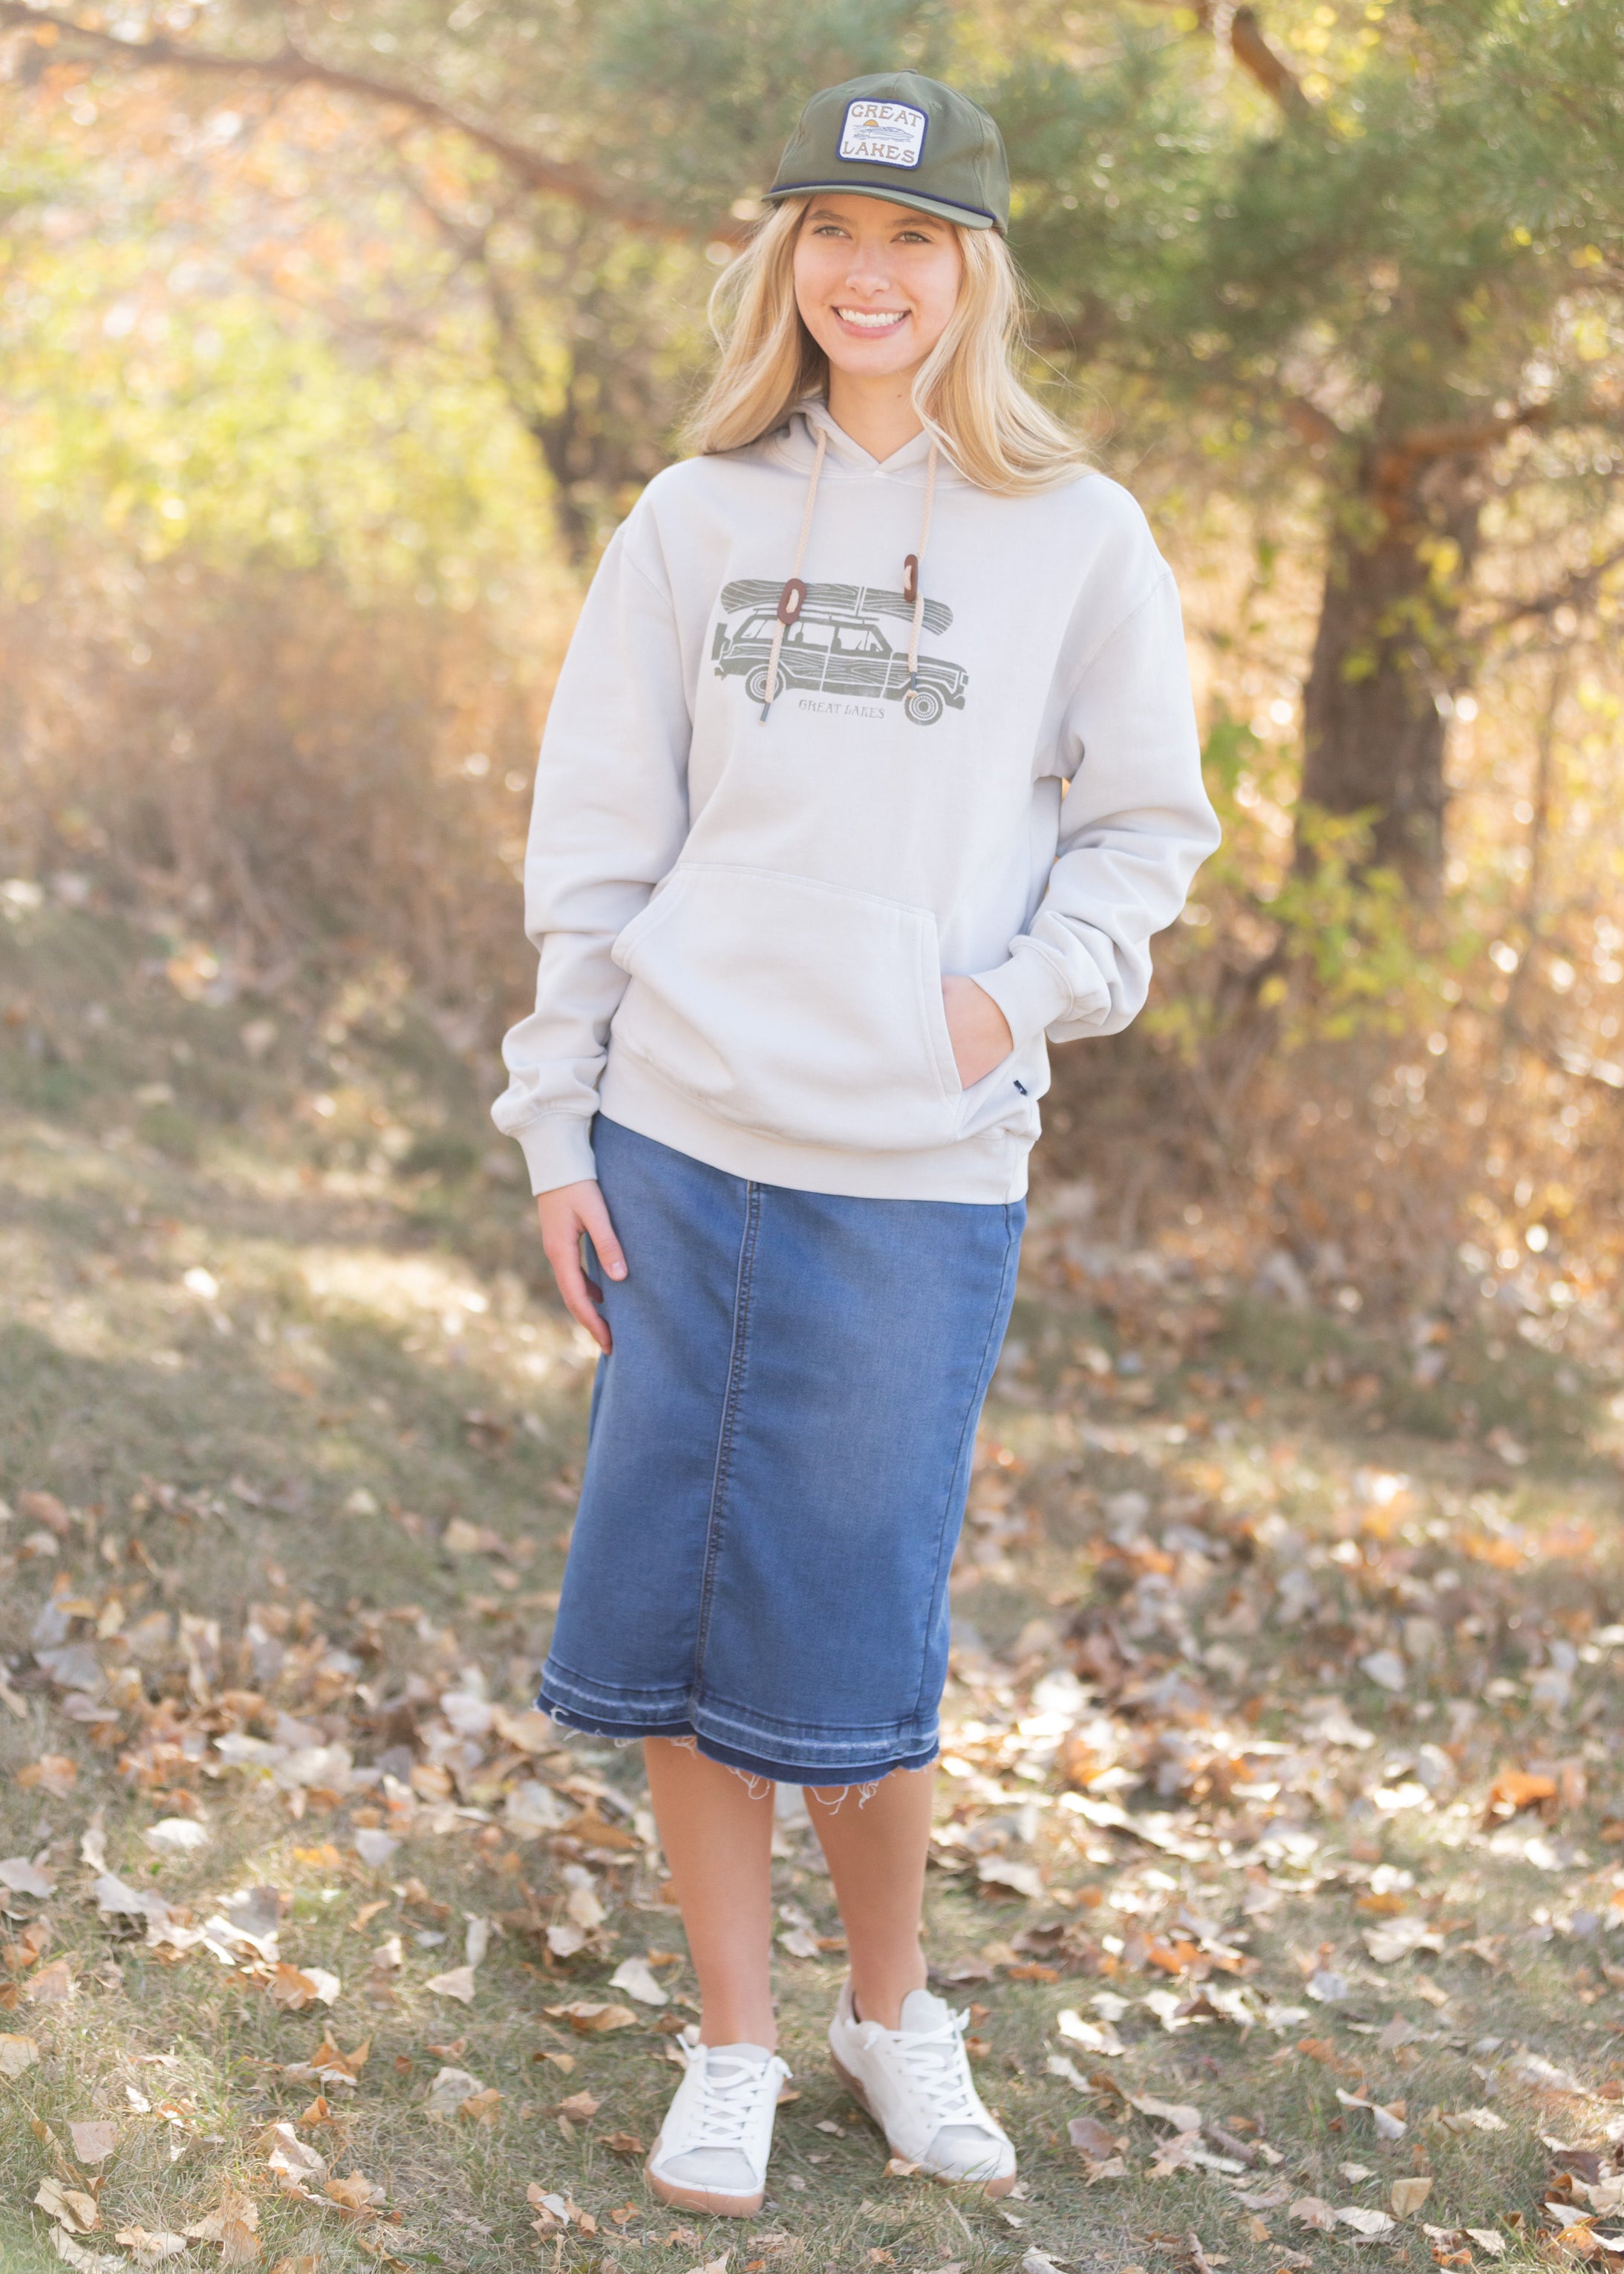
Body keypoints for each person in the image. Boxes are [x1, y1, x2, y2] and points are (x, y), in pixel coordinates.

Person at [492, 68, 1219, 2218]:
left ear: (972, 271)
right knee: (677, 1616)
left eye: (911, 243)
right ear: (782, 258)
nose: (867, 278)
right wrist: (559, 1122)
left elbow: (1144, 829)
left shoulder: (1074, 532)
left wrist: (1004, 1000)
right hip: (677, 1134)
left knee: (850, 1622)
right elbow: (595, 845)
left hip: (914, 1158)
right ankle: (729, 2037)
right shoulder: (693, 519)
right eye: (833, 234)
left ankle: (889, 2013)